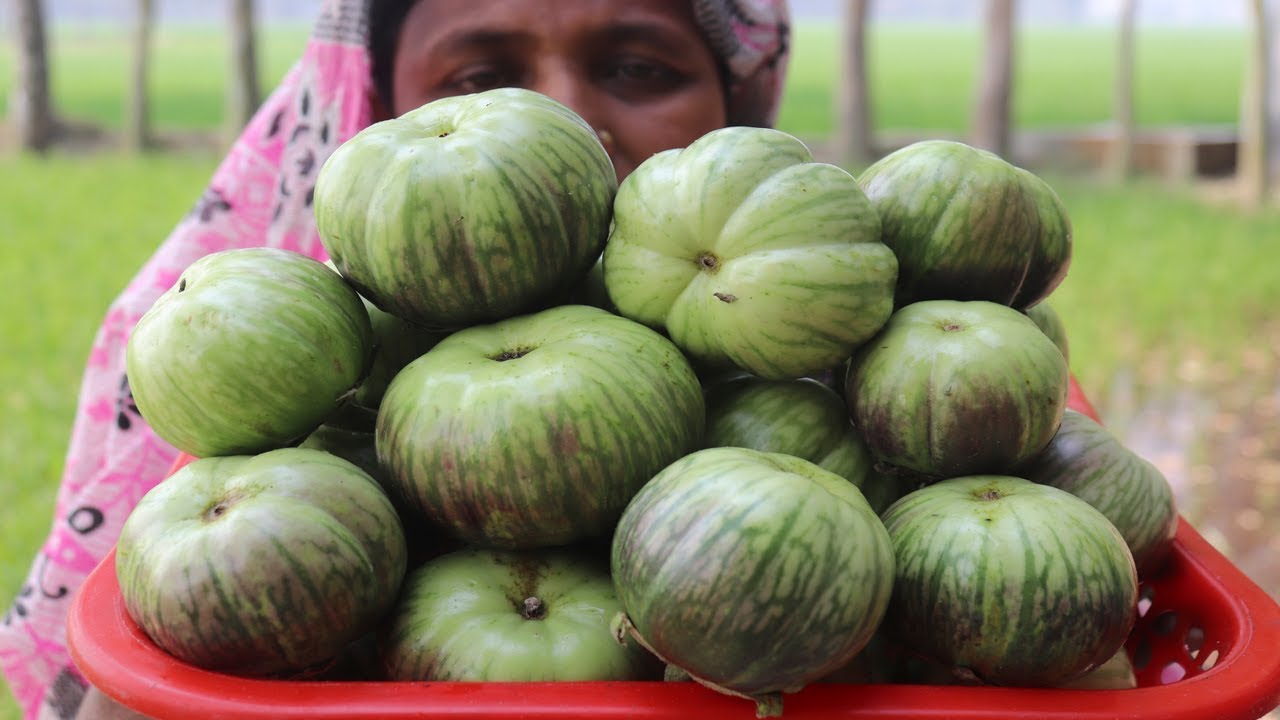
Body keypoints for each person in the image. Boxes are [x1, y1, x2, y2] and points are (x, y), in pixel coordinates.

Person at [0, 1, 790, 718]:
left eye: (640, 68)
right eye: (479, 79)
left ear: (739, 98)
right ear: (375, 106)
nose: (568, 114)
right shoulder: (306, 376)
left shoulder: (794, 347)